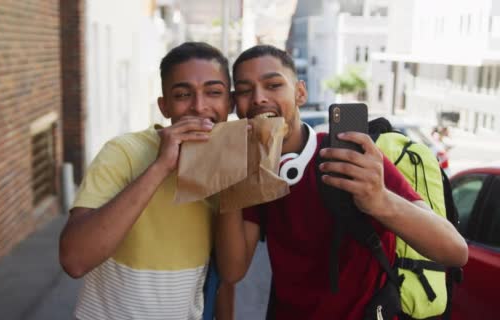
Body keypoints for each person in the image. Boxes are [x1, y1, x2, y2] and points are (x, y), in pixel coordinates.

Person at [215, 45, 468, 320]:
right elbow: (232, 270)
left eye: (274, 84)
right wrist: (230, 180)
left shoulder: (353, 156)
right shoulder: (254, 173)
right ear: (234, 105)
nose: (258, 98)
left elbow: (454, 251)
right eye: (244, 90)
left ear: (300, 93)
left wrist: (380, 199)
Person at [59, 42, 234, 320]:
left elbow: (223, 280)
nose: (199, 107)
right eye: (182, 94)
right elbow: (75, 260)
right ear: (164, 107)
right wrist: (161, 166)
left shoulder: (228, 168)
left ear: (230, 103)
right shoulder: (122, 152)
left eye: (214, 93)